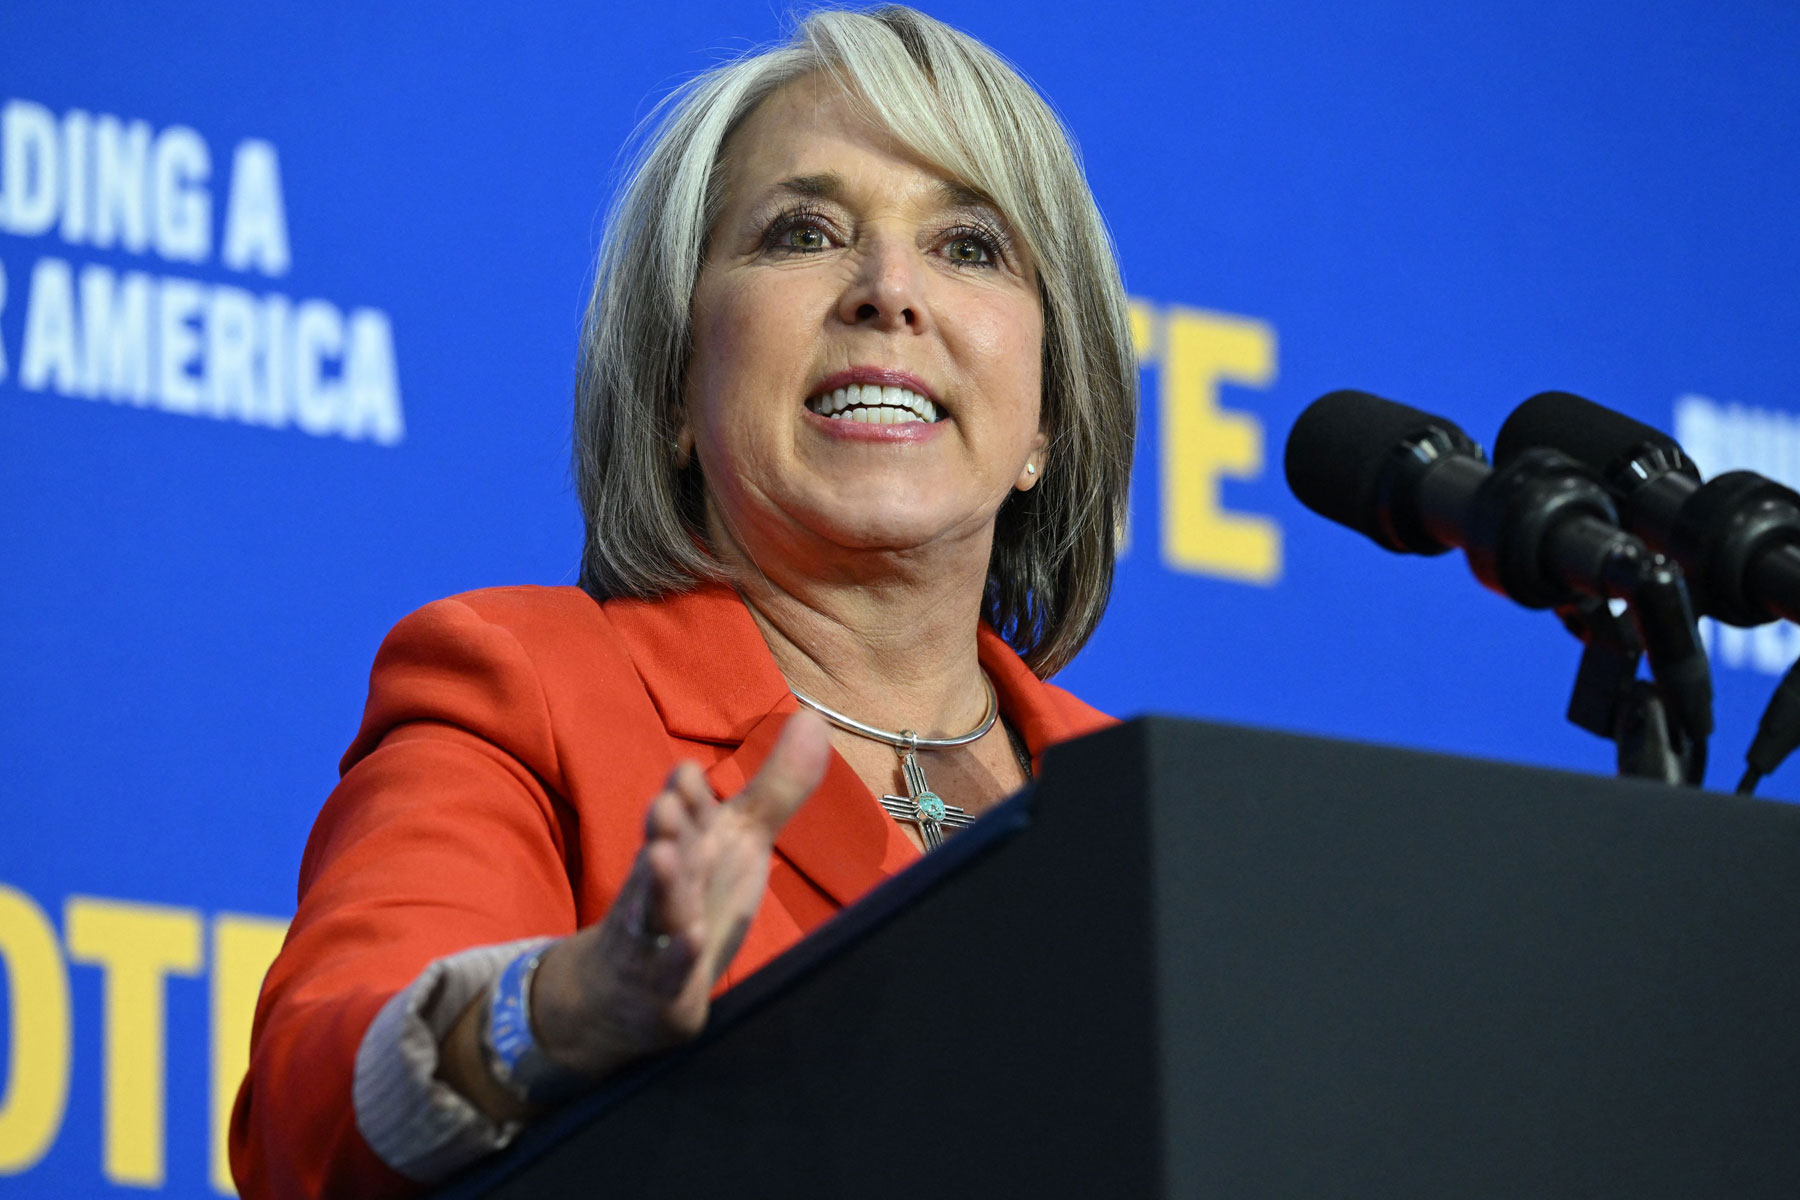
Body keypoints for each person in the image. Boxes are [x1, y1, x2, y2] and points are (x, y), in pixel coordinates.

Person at [229, 6, 1136, 1197]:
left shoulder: (1140, 815)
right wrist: (566, 1009)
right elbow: (311, 1106)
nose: (889, 291)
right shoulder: (526, 688)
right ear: (673, 385)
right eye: (803, 231)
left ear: (1048, 422)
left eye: (970, 246)